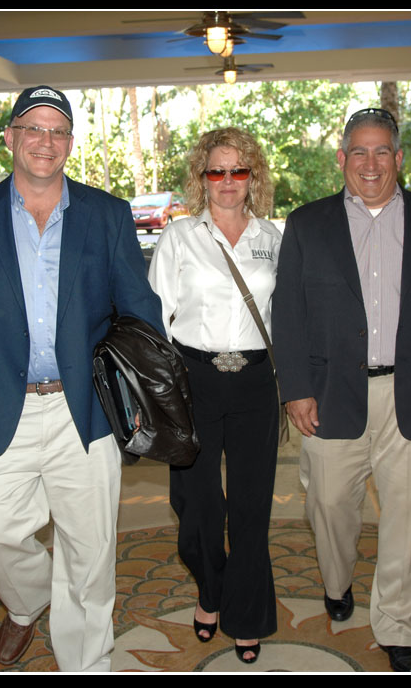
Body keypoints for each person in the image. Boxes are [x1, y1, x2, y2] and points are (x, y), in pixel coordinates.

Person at [0, 85, 163, 672]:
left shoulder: (105, 214)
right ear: (9, 137)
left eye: (57, 131)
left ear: (70, 144)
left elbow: (139, 308)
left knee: (91, 552)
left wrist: (142, 388)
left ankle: (88, 661)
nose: (45, 141)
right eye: (33, 128)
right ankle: (28, 601)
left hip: (85, 409)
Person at [271, 108, 411, 672]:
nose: (370, 163)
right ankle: (337, 581)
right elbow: (286, 314)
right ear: (341, 159)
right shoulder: (307, 224)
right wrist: (295, 388)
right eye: (358, 152)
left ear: (398, 158)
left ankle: (397, 626)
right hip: (330, 391)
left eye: (381, 151)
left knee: (408, 516)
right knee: (331, 504)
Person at [147, 128, 281, 664]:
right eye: (217, 171)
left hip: (253, 382)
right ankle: (210, 589)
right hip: (193, 379)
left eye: (239, 170)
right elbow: (156, 321)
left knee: (251, 508)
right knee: (196, 506)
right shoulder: (178, 237)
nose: (228, 182)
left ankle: (245, 615)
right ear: (202, 179)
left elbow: (285, 317)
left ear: (254, 177)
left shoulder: (274, 238)